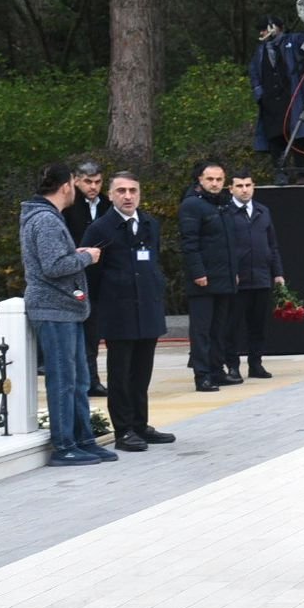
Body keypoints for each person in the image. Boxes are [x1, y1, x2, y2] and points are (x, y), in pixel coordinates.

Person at [20, 162, 115, 466]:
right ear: (65, 187)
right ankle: (64, 446)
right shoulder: (45, 220)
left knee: (78, 378)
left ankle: (84, 439)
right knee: (63, 379)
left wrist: (75, 256)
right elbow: (52, 266)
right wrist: (86, 256)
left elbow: (55, 259)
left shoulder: (48, 217)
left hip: (67, 309)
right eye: (74, 184)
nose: (76, 190)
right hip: (53, 309)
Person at [79, 172, 175, 452]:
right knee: (120, 373)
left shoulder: (149, 224)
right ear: (111, 195)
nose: (128, 195)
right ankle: (124, 429)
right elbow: (91, 274)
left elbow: (153, 259)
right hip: (117, 310)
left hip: (147, 308)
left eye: (133, 190)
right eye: (121, 190)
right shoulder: (100, 229)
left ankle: (140, 424)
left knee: (142, 372)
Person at [179, 160, 242, 391]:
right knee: (202, 330)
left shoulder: (223, 204)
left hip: (224, 277)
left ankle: (217, 370)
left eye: (219, 179)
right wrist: (198, 272)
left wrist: (233, 272)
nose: (215, 184)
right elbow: (189, 243)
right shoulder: (191, 206)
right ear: (200, 180)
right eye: (210, 179)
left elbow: (230, 243)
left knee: (219, 329)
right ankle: (202, 375)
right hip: (203, 280)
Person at [225, 170, 285, 378]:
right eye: (239, 186)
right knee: (233, 325)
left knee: (257, 324)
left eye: (248, 185)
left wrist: (277, 273)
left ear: (253, 187)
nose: (244, 190)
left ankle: (255, 363)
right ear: (231, 189)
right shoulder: (226, 212)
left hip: (261, 276)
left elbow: (272, 244)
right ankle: (232, 365)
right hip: (237, 279)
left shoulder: (262, 211)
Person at [248, 14, 304, 184]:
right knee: (274, 137)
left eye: (264, 28)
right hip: (270, 101)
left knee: (297, 135)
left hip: (292, 98)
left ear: (275, 27)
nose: (262, 32)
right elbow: (254, 73)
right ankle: (281, 174)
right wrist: (259, 95)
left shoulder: (294, 40)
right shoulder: (260, 51)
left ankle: (302, 174)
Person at [62, 160, 112, 397]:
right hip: (75, 275)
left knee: (95, 333)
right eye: (88, 182)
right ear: (77, 181)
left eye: (98, 182)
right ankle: (85, 380)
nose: (93, 187)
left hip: (102, 276)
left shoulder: (106, 205)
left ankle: (92, 379)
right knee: (81, 334)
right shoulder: (69, 207)